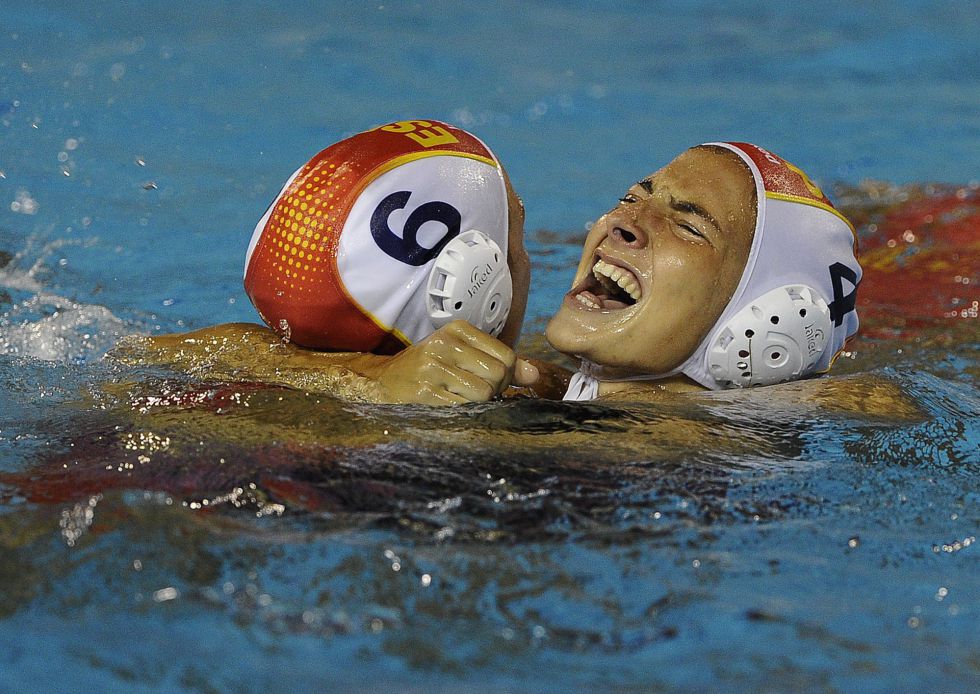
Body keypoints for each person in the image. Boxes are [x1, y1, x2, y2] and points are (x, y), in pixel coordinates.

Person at [120, 119, 546, 404]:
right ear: (480, 288)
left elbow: (132, 356)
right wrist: (367, 377)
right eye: (516, 230)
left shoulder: (207, 372)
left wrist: (355, 371)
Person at [546, 141, 862, 400]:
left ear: (772, 322)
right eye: (630, 198)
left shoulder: (702, 465)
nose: (620, 222)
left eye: (688, 228)